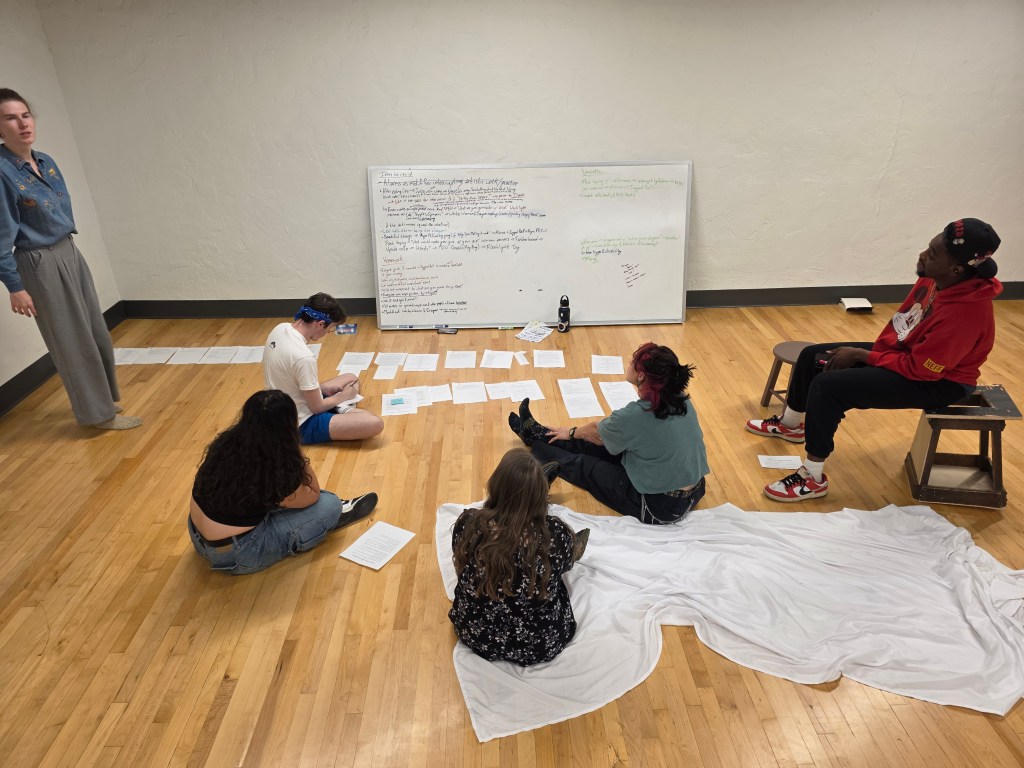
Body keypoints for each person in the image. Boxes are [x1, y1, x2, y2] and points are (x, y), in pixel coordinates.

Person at [746, 218, 1003, 502]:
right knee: (812, 356)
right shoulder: (943, 276)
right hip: (907, 355)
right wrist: (872, 355)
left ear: (956, 269)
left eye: (931, 254)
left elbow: (921, 371)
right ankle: (791, 424)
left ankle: (813, 477)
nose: (922, 256)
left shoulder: (965, 316)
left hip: (939, 381)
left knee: (828, 386)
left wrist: (864, 356)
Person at [0, 88, 140, 429]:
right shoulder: (3, 173)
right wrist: (15, 286)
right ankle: (97, 416)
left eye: (25, 115)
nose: (22, 124)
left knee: (94, 331)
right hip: (38, 261)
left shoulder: (46, 161)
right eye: (10, 118)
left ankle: (104, 401)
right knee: (71, 340)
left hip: (68, 251)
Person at [508, 342, 710, 525]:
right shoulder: (680, 397)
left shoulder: (637, 414)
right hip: (693, 490)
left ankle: (536, 440)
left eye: (633, 362)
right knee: (596, 443)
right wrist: (573, 433)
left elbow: (597, 432)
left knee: (586, 466)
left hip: (659, 505)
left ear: (641, 376)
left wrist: (571, 432)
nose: (629, 363)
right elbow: (607, 433)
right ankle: (536, 433)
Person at [188, 389, 379, 574]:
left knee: (278, 499)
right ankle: (325, 520)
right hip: (238, 553)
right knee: (329, 504)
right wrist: (293, 448)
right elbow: (312, 493)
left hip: (198, 537)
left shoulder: (226, 442)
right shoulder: (273, 465)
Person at [449, 449, 587, 666]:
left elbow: (461, 563)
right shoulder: (555, 535)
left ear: (495, 486)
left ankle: (523, 486)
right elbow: (564, 568)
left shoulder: (467, 524)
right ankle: (532, 486)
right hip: (538, 643)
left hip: (476, 634)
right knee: (560, 562)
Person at [263, 292, 384, 444]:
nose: (327, 333)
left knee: (351, 377)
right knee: (374, 423)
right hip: (299, 423)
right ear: (320, 323)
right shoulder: (304, 357)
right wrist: (342, 397)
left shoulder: (280, 328)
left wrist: (322, 390)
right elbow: (316, 408)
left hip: (282, 403)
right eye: (330, 328)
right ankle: (341, 408)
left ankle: (338, 406)